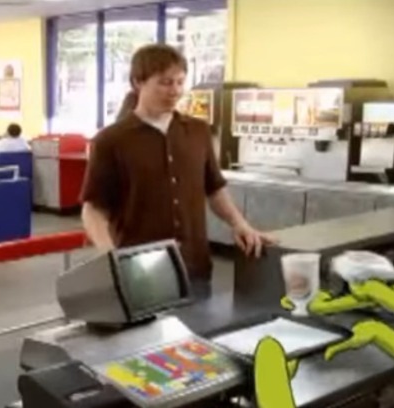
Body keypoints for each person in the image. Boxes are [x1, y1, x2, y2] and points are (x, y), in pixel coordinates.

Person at [80, 44, 275, 299]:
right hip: (140, 270)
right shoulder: (110, 140)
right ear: (138, 82)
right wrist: (110, 256)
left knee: (199, 324)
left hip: (194, 266)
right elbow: (94, 209)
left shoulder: (198, 132)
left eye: (180, 82)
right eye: (165, 82)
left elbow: (214, 189)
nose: (175, 90)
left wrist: (240, 225)